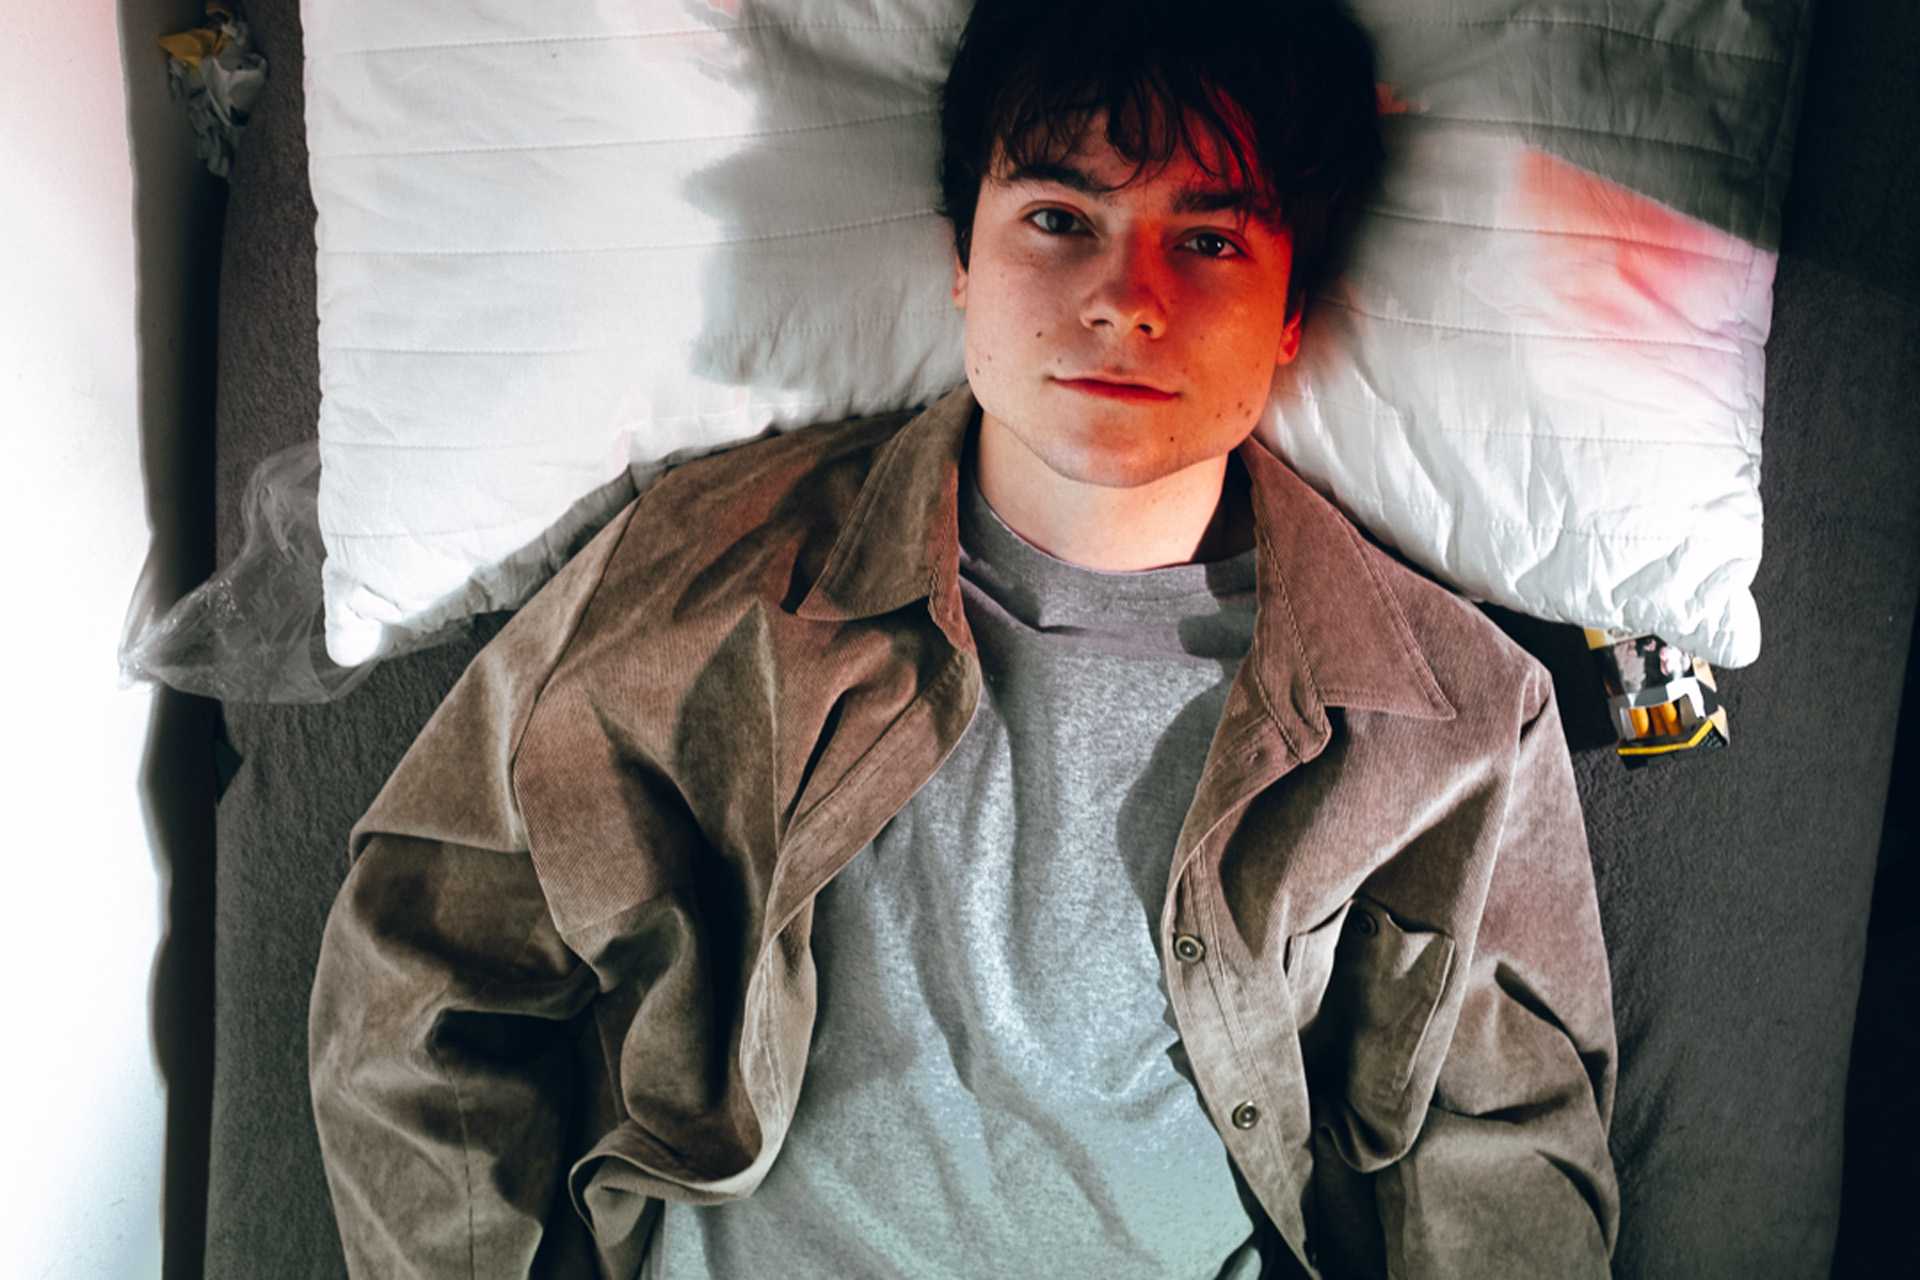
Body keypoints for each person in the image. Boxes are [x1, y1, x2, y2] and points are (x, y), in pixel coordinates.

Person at [308, 0, 1618, 1275]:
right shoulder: (705, 576)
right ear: (962, 262)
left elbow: (1508, 1148)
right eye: (1059, 219)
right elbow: (420, 964)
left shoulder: (1452, 718)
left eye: (1209, 240)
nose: (1124, 298)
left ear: (1291, 313)